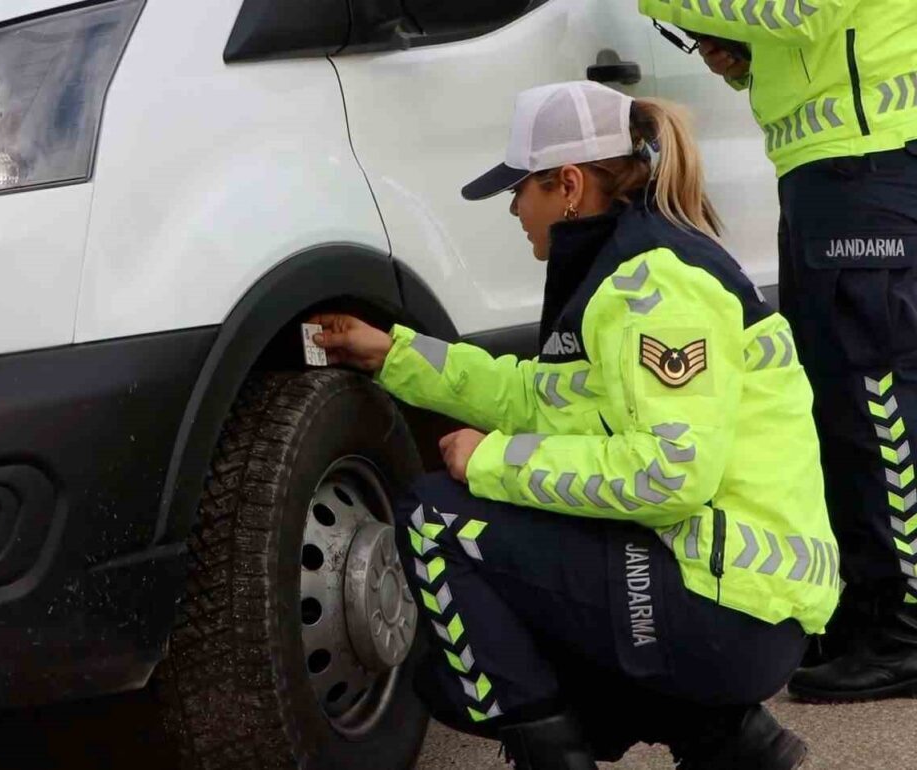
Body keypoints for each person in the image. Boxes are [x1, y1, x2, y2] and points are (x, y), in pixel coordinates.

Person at [311, 81, 838, 770]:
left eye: (518, 188)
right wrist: (396, 355)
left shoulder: (654, 287)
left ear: (567, 185)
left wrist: (495, 463)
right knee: (454, 671)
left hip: (732, 609)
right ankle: (727, 741)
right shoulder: (625, 265)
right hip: (728, 597)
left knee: (436, 522)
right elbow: (540, 398)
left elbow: (669, 475)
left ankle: (590, 752)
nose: (511, 207)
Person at [638, 0, 917, 703]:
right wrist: (746, 55)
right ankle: (870, 611)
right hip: (830, 166)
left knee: (878, 401)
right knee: (835, 404)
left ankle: (907, 627)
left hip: (873, 160)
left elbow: (800, 10)